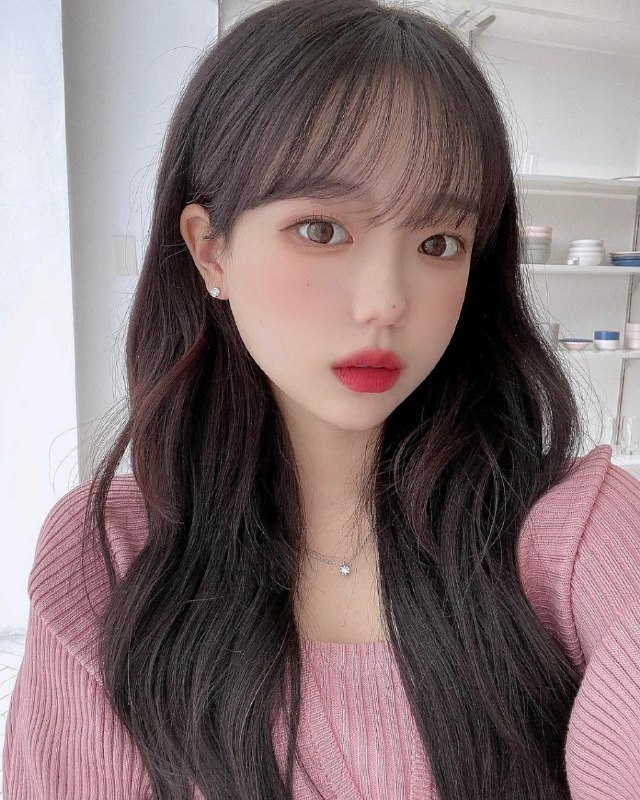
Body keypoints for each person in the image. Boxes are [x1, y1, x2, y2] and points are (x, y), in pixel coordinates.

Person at [4, 0, 640, 797]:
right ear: (211, 250)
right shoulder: (111, 558)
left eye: (438, 242)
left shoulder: (580, 536)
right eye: (322, 230)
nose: (386, 303)